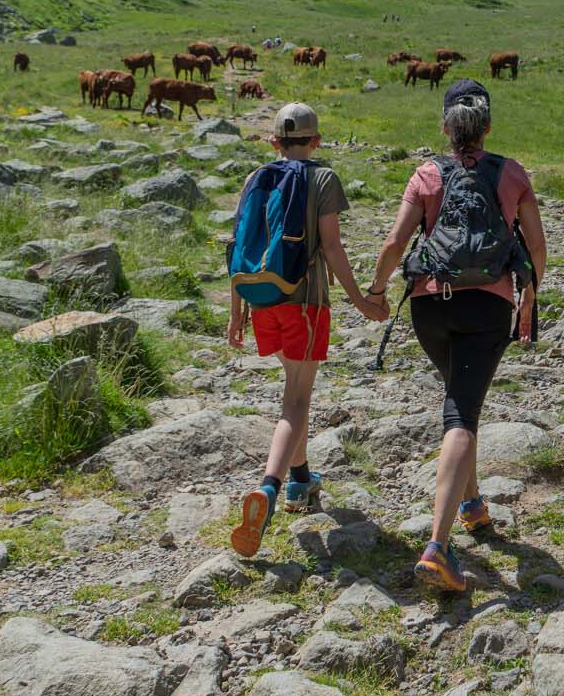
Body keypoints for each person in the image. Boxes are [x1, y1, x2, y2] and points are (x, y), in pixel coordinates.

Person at [368, 78, 547, 592]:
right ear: (487, 126)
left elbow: (395, 242)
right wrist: (529, 299)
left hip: (431, 307)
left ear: (446, 127)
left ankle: (471, 504)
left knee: (459, 400)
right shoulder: (512, 174)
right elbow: (536, 248)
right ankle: (438, 547)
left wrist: (376, 292)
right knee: (463, 413)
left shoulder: (427, 174)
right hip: (488, 307)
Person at [227, 102, 387, 558]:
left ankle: (301, 480)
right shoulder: (322, 179)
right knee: (296, 401)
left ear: (274, 142)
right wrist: (361, 301)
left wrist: (235, 312)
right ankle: (269, 488)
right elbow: (332, 247)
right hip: (306, 302)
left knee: (293, 387)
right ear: (316, 141)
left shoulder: (255, 178)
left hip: (263, 301)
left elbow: (238, 245)